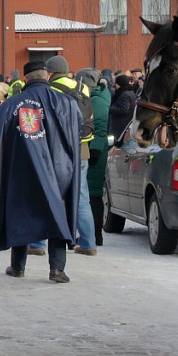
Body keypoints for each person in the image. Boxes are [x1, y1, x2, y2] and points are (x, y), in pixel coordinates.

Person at [0, 60, 81, 284]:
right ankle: (57, 269)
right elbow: (79, 131)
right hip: (61, 170)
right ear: (48, 76)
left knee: (21, 213)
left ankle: (18, 266)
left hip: (22, 170)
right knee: (59, 212)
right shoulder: (67, 103)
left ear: (25, 78)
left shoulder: (12, 104)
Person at [45, 55, 97, 255]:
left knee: (50, 195)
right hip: (82, 148)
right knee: (82, 197)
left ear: (50, 73)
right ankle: (88, 244)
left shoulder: (51, 90)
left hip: (58, 150)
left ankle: (39, 244)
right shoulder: (82, 87)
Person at [82, 68, 111, 247]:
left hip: (95, 153)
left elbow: (99, 129)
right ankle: (93, 235)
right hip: (95, 150)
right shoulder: (99, 96)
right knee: (92, 194)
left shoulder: (96, 100)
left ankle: (94, 235)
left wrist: (94, 151)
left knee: (93, 194)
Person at [109, 74, 138, 141]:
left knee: (116, 143)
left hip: (121, 124)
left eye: (116, 83)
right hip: (125, 123)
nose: (115, 85)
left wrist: (109, 109)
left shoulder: (124, 94)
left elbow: (124, 109)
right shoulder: (130, 92)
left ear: (119, 84)